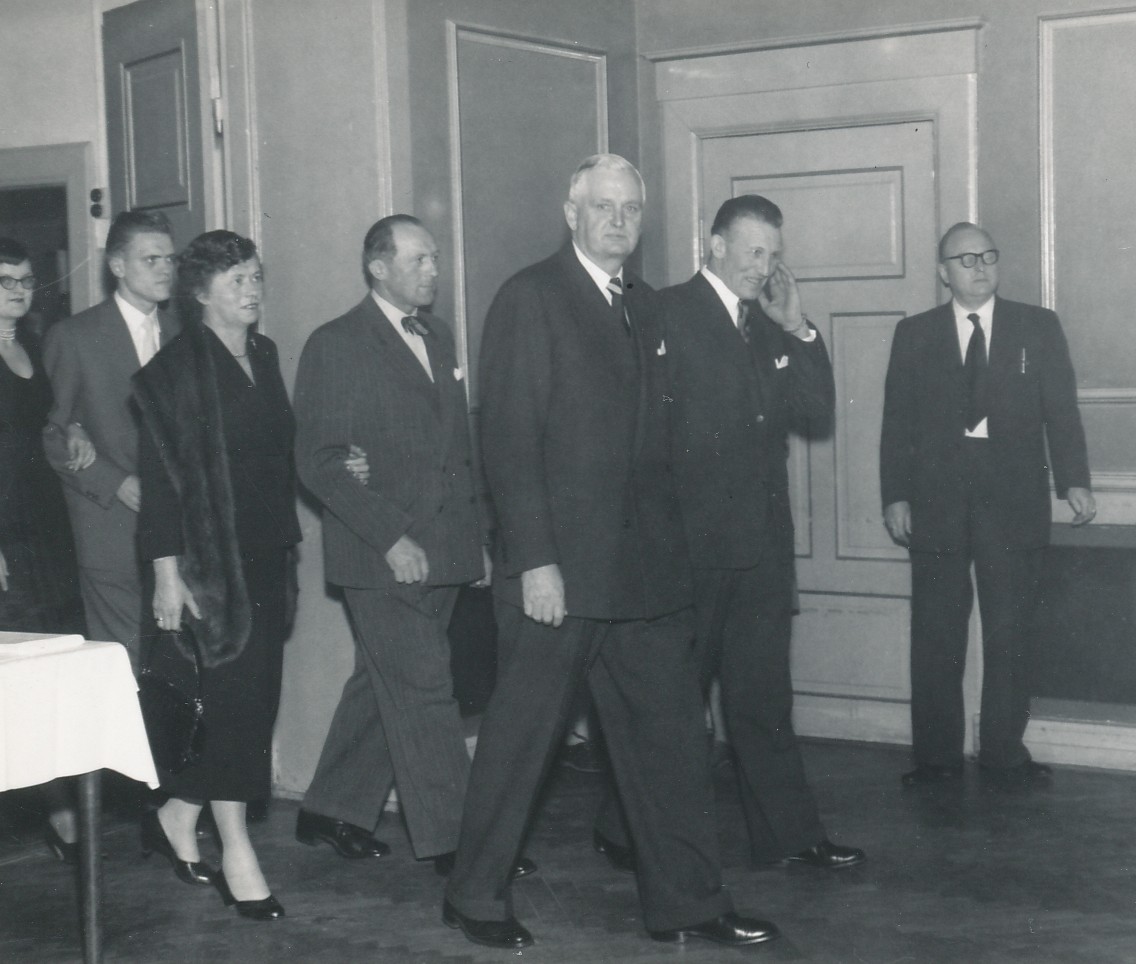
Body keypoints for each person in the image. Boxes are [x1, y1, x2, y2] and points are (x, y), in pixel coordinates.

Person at [442, 154, 778, 951]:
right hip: (559, 574)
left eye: (630, 209)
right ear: (572, 213)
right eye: (603, 206)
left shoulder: (647, 306)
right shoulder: (531, 297)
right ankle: (474, 894)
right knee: (522, 741)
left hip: (646, 574)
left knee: (673, 744)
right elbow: (508, 439)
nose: (618, 220)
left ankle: (689, 902)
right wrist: (536, 561)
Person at [591, 195, 863, 873]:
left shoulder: (767, 325)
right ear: (714, 245)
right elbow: (636, 437)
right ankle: (629, 830)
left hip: (762, 551)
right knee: (672, 705)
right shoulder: (664, 313)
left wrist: (798, 328)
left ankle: (790, 835)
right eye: (751, 250)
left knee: (764, 699)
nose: (762, 266)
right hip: (690, 552)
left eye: (772, 254)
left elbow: (816, 411)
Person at [292, 214, 492, 873]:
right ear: (378, 268)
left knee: (386, 682)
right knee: (425, 687)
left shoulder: (438, 335)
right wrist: (390, 537)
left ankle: (331, 808)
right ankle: (460, 842)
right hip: (381, 554)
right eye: (418, 260)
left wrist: (476, 540)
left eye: (434, 258)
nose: (433, 270)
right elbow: (320, 462)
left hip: (444, 547)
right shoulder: (336, 343)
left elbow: (458, 449)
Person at [880, 222, 1096, 792]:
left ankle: (1004, 753)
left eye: (988, 256)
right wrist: (895, 495)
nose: (979, 267)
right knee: (936, 639)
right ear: (943, 272)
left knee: (1012, 634)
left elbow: (1061, 411)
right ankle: (936, 760)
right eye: (965, 259)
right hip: (936, 506)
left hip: (1013, 504)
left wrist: (1074, 481)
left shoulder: (1037, 327)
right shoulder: (915, 335)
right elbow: (897, 422)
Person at [132, 230, 301, 920]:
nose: (252, 290)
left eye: (256, 276)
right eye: (237, 281)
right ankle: (237, 852)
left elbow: (275, 452)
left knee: (253, 702)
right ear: (200, 293)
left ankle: (177, 815)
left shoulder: (265, 353)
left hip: (268, 557)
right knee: (233, 706)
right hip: (208, 567)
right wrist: (166, 576)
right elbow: (161, 485)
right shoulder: (172, 372)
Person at [42, 210, 178, 667]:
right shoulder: (74, 336)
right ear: (117, 265)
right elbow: (52, 434)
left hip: (176, 530)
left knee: (176, 664)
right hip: (111, 528)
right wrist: (116, 482)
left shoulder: (183, 335)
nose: (165, 269)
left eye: (169, 259)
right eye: (151, 259)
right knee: (122, 663)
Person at [0, 237, 87, 863]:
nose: (19, 291)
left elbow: (47, 418)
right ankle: (56, 809)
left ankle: (58, 803)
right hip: (6, 530)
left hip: (46, 520)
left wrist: (74, 428)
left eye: (27, 280)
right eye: (5, 280)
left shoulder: (30, 344)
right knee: (20, 672)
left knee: (56, 658)